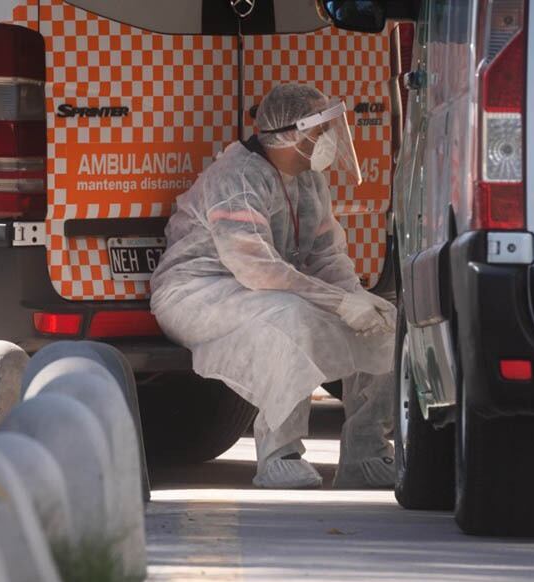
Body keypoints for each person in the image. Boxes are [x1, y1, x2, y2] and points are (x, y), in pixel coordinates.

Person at [150, 83, 397, 489]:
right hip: (198, 294)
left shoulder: (307, 180)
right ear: (291, 135)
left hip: (266, 291)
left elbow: (325, 256)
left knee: (385, 326)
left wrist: (357, 299)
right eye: (322, 132)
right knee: (290, 317)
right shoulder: (238, 177)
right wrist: (339, 303)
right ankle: (279, 455)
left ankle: (367, 452)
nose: (330, 141)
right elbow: (256, 268)